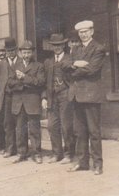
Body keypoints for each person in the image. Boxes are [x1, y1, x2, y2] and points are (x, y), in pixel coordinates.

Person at [65, 20, 105, 175]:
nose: (83, 34)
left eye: (86, 31)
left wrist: (73, 69)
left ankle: (98, 164)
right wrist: (77, 63)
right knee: (79, 131)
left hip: (91, 95)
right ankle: (82, 162)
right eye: (81, 32)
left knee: (94, 131)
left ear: (92, 31)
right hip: (76, 96)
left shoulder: (98, 48)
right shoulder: (75, 50)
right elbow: (64, 65)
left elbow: (93, 69)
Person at [8, 40, 45, 164]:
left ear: (32, 53)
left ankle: (37, 153)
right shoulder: (15, 66)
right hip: (18, 102)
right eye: (24, 52)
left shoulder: (38, 66)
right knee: (20, 129)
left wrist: (24, 78)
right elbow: (10, 83)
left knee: (34, 129)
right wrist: (23, 83)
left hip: (32, 101)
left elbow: (40, 82)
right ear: (20, 52)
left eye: (28, 52)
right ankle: (21, 153)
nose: (26, 55)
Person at [41, 33, 75, 164]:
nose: (57, 47)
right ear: (52, 46)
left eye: (60, 45)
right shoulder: (48, 62)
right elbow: (44, 82)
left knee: (66, 126)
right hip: (51, 97)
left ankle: (69, 154)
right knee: (51, 126)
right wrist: (44, 97)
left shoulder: (69, 59)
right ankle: (57, 153)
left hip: (65, 95)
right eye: (55, 45)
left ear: (64, 45)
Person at [0, 38, 23, 158]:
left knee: (20, 123)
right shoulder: (1, 64)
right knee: (8, 123)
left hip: (18, 96)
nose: (11, 53)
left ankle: (21, 149)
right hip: (6, 97)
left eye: (13, 50)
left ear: (16, 50)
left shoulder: (22, 62)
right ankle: (10, 148)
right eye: (8, 51)